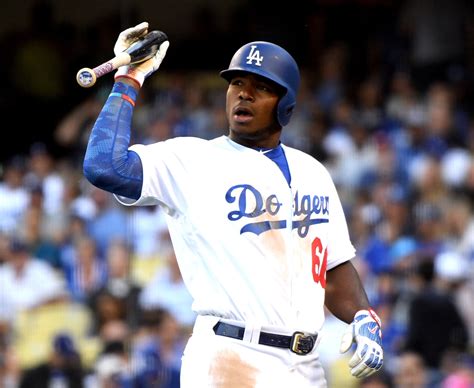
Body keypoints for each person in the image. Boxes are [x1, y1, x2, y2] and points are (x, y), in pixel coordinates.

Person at [83, 22, 383, 387]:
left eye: (261, 87)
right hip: (229, 356)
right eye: (237, 83)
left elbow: (332, 267)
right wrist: (129, 80)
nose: (244, 94)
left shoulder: (313, 171)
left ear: (286, 103)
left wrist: (363, 317)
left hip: (305, 365)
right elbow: (105, 166)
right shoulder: (192, 159)